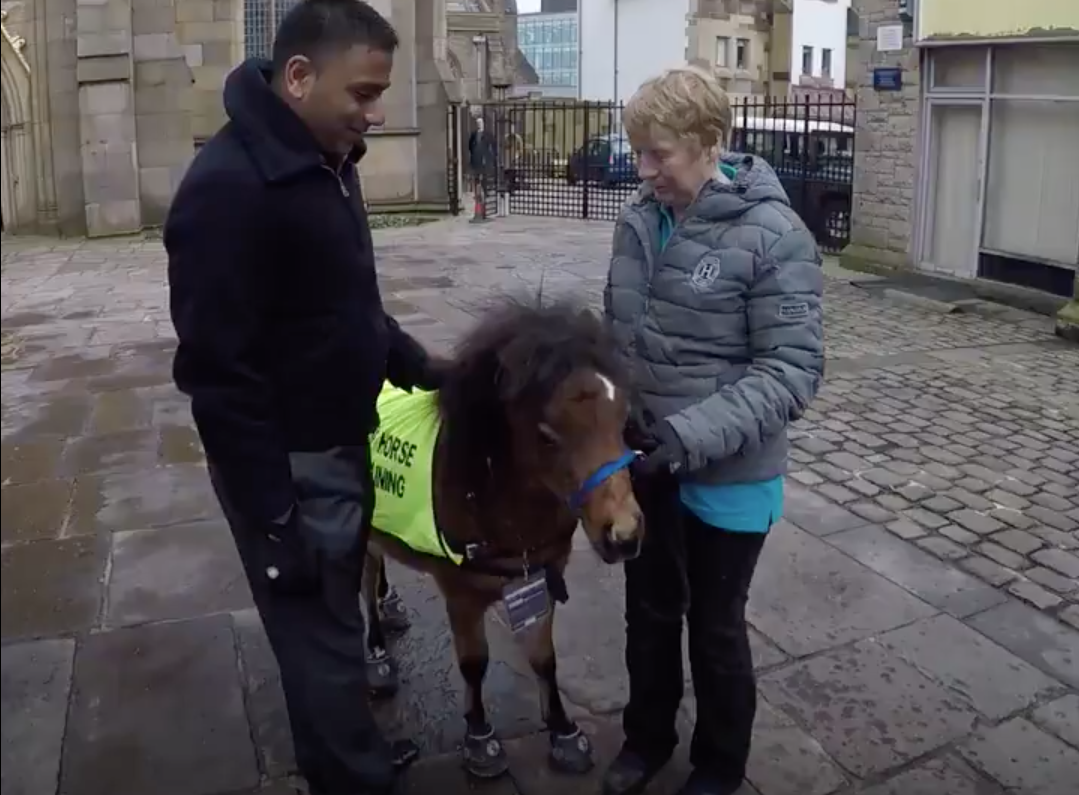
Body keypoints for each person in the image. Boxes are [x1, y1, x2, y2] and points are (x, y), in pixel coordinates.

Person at [165, 2, 444, 793]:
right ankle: (352, 776)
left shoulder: (327, 158)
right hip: (288, 464)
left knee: (330, 629)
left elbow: (344, 302)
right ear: (298, 77)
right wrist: (273, 514)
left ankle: (343, 748)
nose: (376, 113)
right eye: (361, 93)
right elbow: (217, 371)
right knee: (317, 637)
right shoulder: (225, 189)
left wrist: (421, 365)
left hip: (338, 438)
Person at [602, 67, 824, 795]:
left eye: (657, 152)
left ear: (707, 143)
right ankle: (644, 740)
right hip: (647, 464)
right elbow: (622, 337)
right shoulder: (637, 220)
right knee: (648, 615)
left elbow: (791, 369)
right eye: (637, 151)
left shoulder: (773, 234)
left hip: (728, 475)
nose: (643, 170)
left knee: (716, 628)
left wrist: (687, 437)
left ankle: (719, 764)